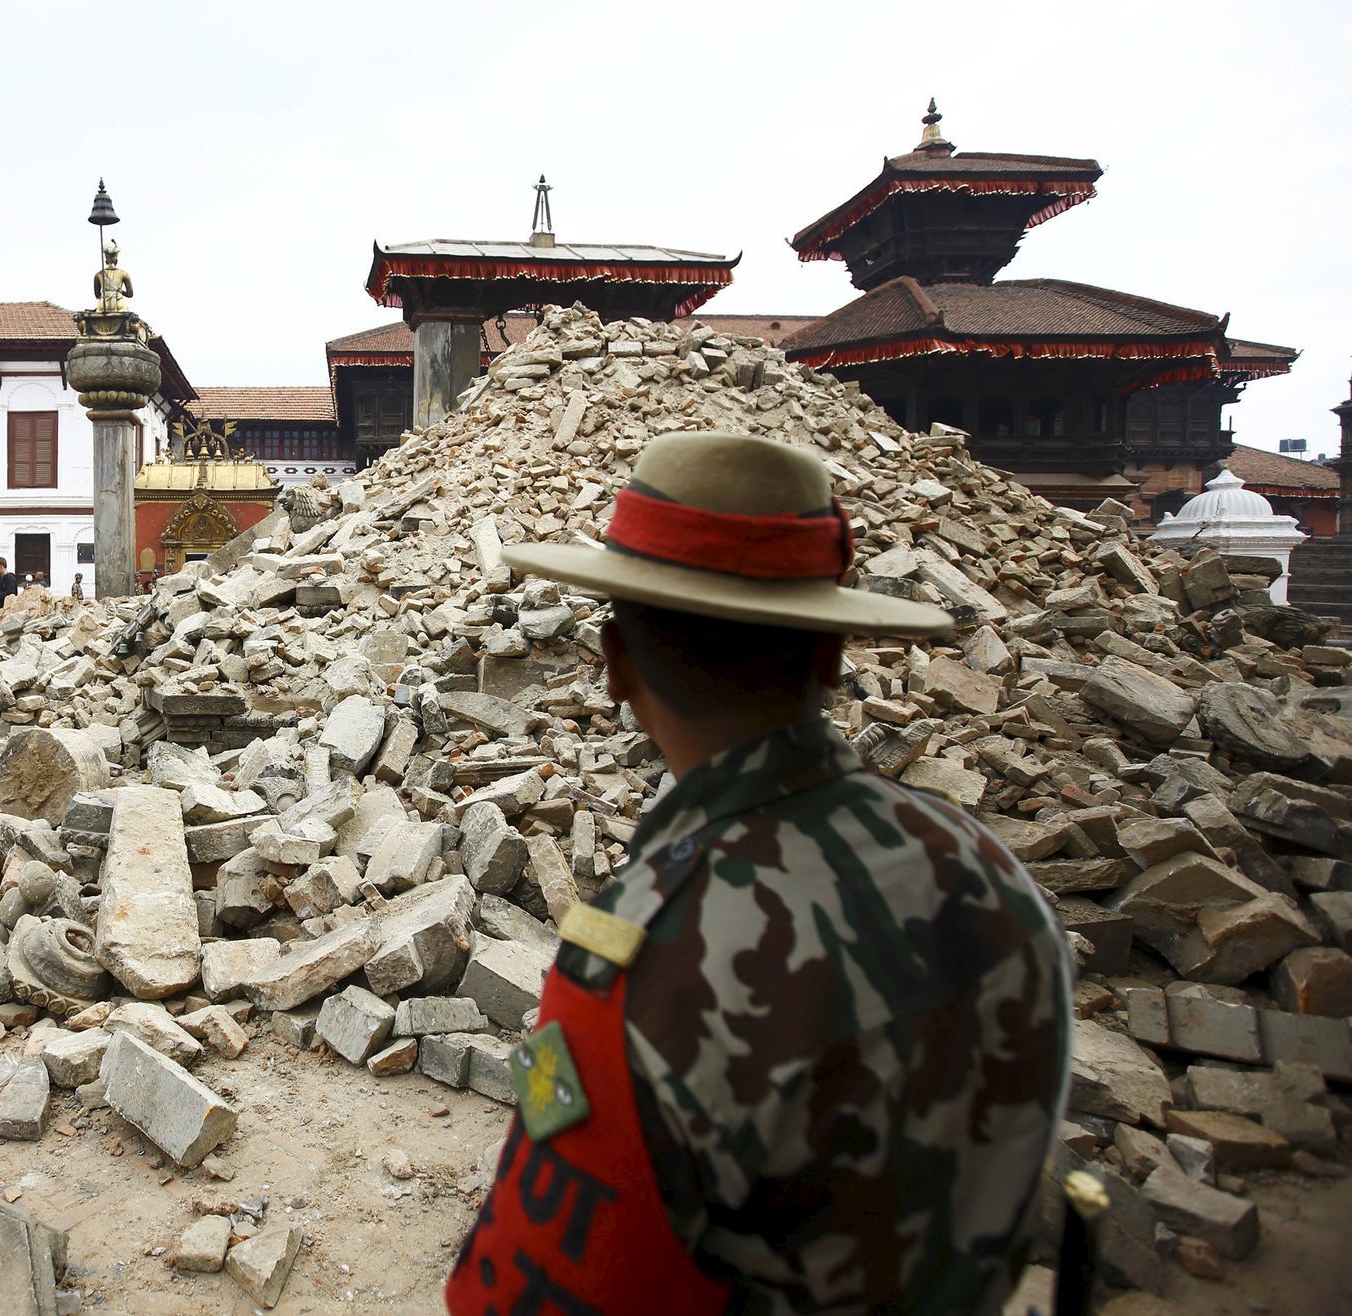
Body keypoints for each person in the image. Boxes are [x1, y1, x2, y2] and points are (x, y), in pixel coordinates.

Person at [447, 434, 1071, 1316]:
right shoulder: (993, 875)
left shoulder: (650, 955)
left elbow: (536, 1292)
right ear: (831, 657)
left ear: (617, 662)